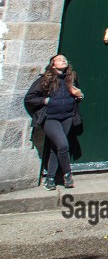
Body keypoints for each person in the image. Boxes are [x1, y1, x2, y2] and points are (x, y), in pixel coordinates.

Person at [24, 54, 83, 189]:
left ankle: (50, 179)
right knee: (63, 145)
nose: (63, 60)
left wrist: (80, 96)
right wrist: (46, 100)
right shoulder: (45, 79)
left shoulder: (71, 78)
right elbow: (30, 98)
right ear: (53, 64)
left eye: (65, 59)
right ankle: (67, 174)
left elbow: (77, 95)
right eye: (60, 59)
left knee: (56, 148)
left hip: (67, 116)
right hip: (51, 118)